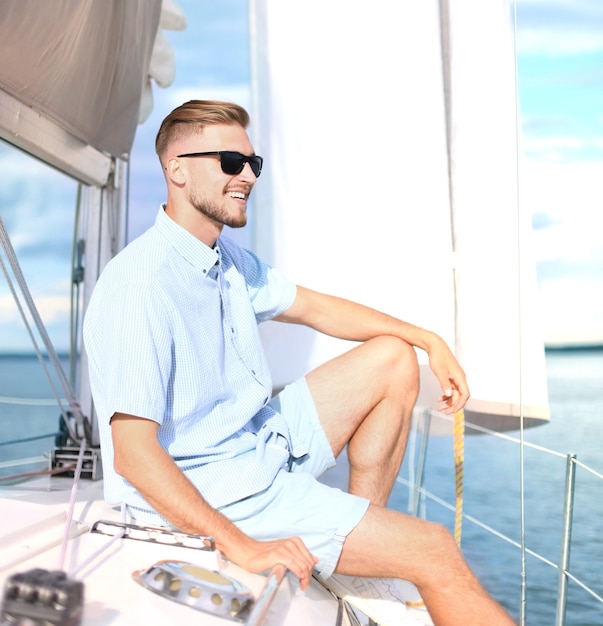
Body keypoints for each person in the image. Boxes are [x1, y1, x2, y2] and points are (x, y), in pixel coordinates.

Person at [84, 99, 515, 625]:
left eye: (253, 164)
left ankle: (360, 554)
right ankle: (367, 544)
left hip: (257, 448)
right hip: (221, 491)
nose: (247, 176)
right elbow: (132, 454)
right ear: (176, 170)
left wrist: (426, 339)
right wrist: (242, 546)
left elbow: (316, 307)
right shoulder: (140, 285)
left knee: (393, 359)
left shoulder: (227, 261)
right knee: (434, 550)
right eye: (230, 162)